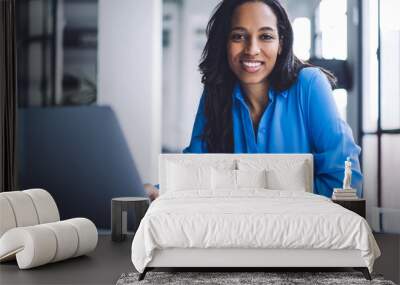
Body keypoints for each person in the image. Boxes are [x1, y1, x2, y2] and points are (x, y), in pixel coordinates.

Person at [145, 0, 362, 200]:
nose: (252, 49)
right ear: (224, 43)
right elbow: (194, 169)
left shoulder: (310, 85)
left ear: (281, 43)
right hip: (237, 230)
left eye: (265, 36)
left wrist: (255, 197)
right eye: (239, 36)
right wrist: (159, 191)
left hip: (308, 232)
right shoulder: (216, 92)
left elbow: (345, 182)